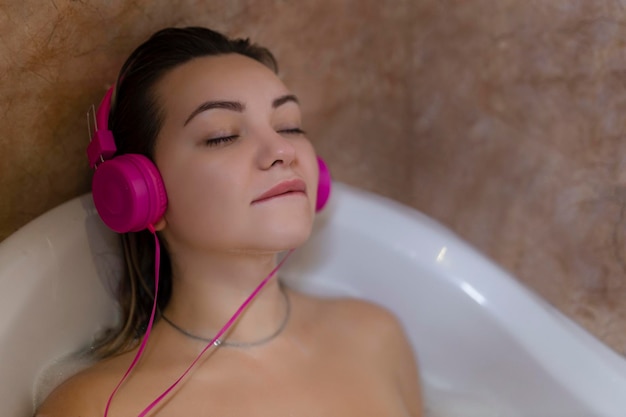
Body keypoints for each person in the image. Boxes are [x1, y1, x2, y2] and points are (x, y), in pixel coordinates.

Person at [36, 26, 422, 416]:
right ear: (142, 193)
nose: (283, 149)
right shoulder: (98, 406)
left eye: (289, 125)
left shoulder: (376, 338)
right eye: (222, 136)